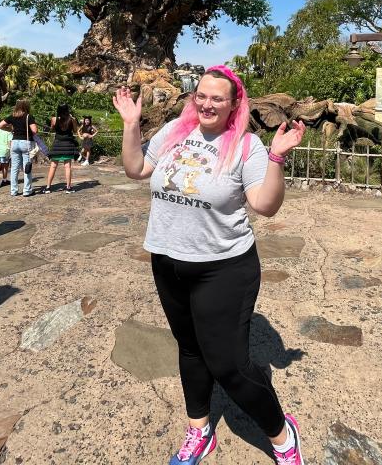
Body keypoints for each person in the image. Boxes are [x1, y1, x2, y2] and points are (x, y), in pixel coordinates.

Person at [113, 65, 307, 465]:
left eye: (217, 98)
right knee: (189, 350)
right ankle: (199, 430)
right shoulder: (173, 132)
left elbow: (265, 206)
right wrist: (131, 124)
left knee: (230, 365)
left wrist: (276, 157)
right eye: (200, 95)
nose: (206, 103)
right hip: (167, 260)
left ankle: (282, 434)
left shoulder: (246, 145)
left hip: (224, 267)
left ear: (235, 104)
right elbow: (136, 170)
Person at [0, 99, 39, 197]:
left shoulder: (12, 116)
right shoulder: (29, 116)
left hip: (14, 142)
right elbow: (34, 130)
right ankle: (27, 190)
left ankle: (13, 190)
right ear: (26, 106)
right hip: (25, 143)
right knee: (27, 167)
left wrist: (11, 129)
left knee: (14, 168)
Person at [46, 103, 79, 193]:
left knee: (53, 166)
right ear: (67, 110)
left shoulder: (54, 119)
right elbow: (75, 130)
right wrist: (73, 119)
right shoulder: (72, 120)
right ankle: (68, 188)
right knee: (67, 166)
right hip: (68, 145)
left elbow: (52, 129)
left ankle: (48, 187)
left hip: (57, 144)